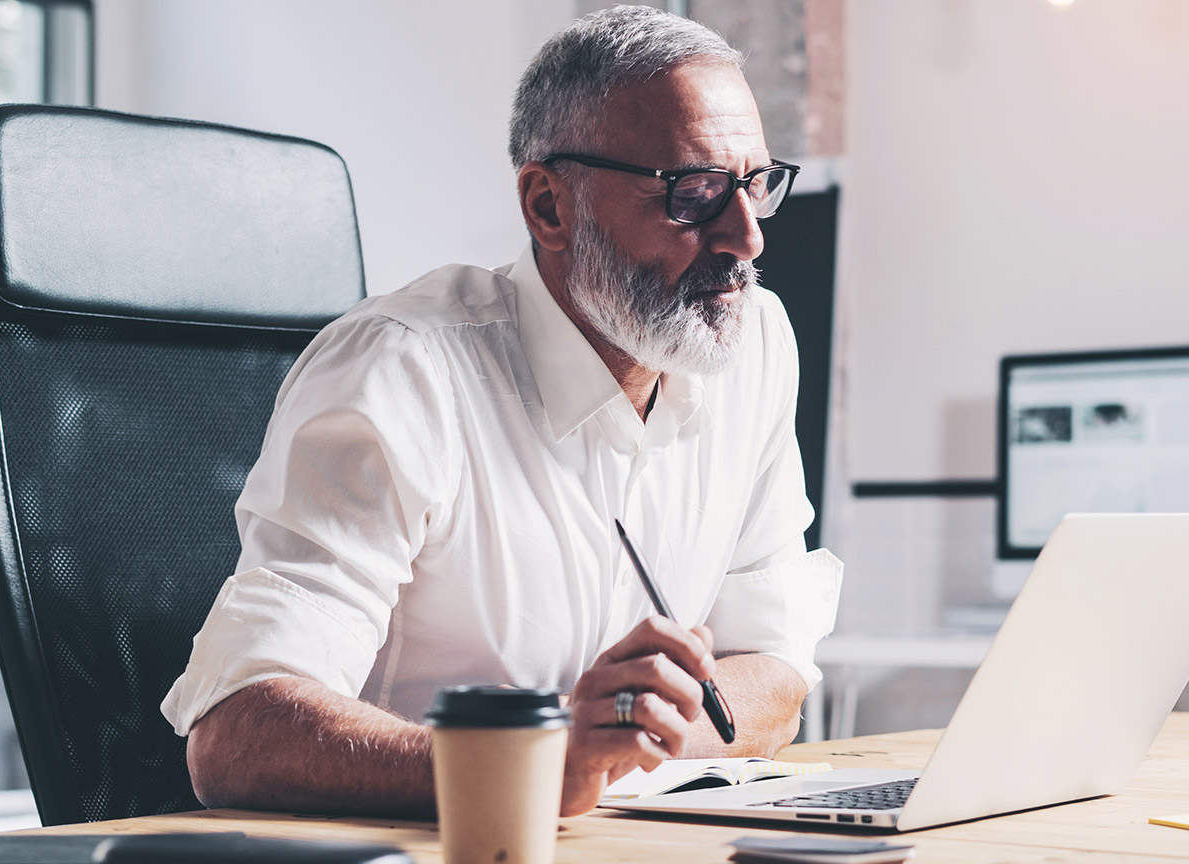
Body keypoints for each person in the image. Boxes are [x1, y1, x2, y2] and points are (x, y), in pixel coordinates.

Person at [162, 5, 843, 818]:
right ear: (549, 206)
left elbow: (773, 674)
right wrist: (541, 764)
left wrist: (608, 755)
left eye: (756, 185)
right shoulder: (403, 371)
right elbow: (237, 734)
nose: (747, 238)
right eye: (693, 194)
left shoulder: (753, 343)